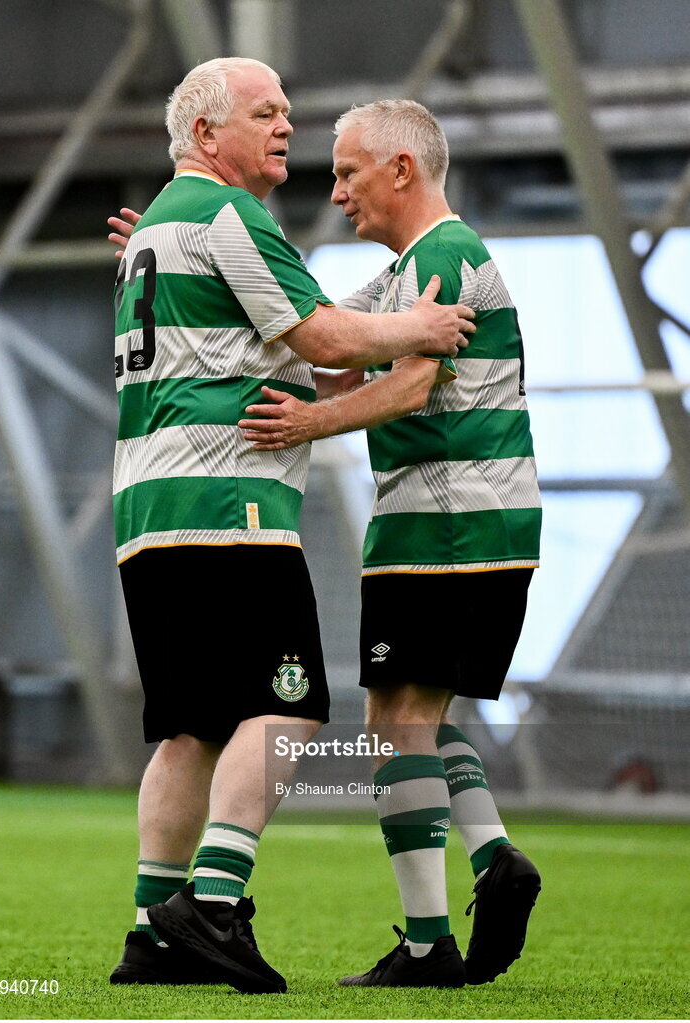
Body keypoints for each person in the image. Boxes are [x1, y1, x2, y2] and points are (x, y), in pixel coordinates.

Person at [107, 61, 475, 995]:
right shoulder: (229, 218)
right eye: (264, 112)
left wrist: (365, 337)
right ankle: (216, 904)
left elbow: (289, 335)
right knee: (290, 706)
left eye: (286, 111)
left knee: (189, 727)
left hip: (146, 510)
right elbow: (325, 341)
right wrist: (425, 324)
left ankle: (152, 931)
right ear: (204, 136)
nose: (285, 127)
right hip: (225, 505)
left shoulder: (158, 225)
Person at [239, 100, 543, 988]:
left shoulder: (443, 256)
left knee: (393, 727)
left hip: (446, 523)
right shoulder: (413, 268)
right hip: (464, 523)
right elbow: (326, 345)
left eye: (347, 172)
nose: (335, 192)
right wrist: (182, 263)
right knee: (403, 722)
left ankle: (432, 935)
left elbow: (406, 386)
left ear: (402, 168)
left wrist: (305, 426)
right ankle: (487, 867)